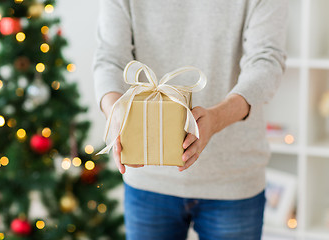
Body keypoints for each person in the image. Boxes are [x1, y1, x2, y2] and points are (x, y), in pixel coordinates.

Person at [93, 1, 288, 239]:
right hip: (148, 180)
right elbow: (110, 59)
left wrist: (216, 118)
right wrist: (116, 113)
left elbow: (266, 62)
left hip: (233, 179)